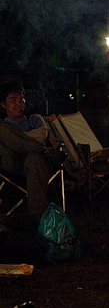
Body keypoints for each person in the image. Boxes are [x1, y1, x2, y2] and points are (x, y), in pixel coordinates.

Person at [0, 81, 66, 223]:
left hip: (37, 165)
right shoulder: (3, 127)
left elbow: (42, 134)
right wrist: (28, 140)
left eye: (21, 99)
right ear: (3, 104)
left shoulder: (35, 118)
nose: (19, 103)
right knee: (3, 130)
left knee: (34, 157)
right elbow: (36, 138)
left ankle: (38, 216)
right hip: (14, 164)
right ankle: (47, 152)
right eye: (13, 100)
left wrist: (16, 140)